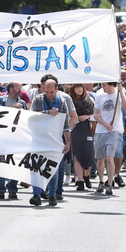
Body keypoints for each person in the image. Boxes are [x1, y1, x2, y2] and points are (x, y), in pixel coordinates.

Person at [29, 78, 77, 206]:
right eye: (47, 91)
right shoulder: (38, 99)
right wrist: (47, 113)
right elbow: (31, 116)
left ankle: (52, 195)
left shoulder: (62, 101)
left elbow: (65, 123)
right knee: (36, 168)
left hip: (55, 139)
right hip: (39, 138)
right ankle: (36, 194)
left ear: (57, 89)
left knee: (53, 168)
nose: (49, 94)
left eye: (51, 92)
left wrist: (68, 142)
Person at [94, 82, 126, 195]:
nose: (102, 87)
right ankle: (101, 181)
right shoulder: (99, 94)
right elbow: (96, 114)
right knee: (100, 159)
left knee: (110, 158)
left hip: (114, 130)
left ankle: (110, 183)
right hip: (101, 130)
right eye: (101, 85)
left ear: (111, 85)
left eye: (104, 85)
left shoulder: (119, 92)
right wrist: (105, 124)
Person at [67, 84, 95, 192]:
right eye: (76, 88)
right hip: (75, 129)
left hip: (87, 129)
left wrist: (87, 117)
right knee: (77, 155)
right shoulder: (69, 100)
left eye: (81, 87)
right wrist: (77, 118)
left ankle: (87, 176)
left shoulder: (89, 99)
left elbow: (96, 114)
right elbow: (68, 115)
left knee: (88, 153)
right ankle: (80, 180)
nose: (79, 90)